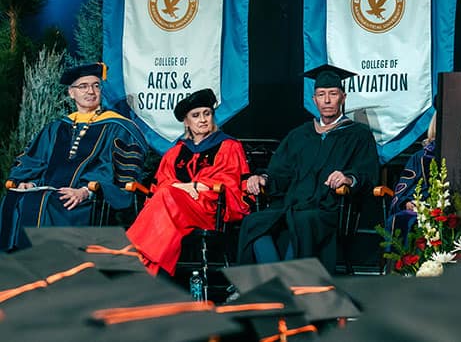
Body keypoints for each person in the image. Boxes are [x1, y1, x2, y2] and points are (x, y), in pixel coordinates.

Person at [238, 64, 379, 270]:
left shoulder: (358, 134)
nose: (327, 100)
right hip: (291, 204)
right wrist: (263, 179)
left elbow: (367, 173)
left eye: (333, 94)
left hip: (328, 208)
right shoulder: (299, 135)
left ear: (343, 97)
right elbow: (280, 173)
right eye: (321, 95)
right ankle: (278, 280)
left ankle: (287, 284)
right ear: (314, 100)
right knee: (254, 222)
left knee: (303, 222)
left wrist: (348, 178)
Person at [0, 63, 147, 251]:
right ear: (71, 93)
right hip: (50, 190)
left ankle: (56, 269)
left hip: (86, 197)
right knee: (15, 199)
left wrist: (86, 190)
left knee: (52, 203)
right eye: (83, 86)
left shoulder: (117, 127)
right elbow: (34, 159)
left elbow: (122, 170)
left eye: (96, 85)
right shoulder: (56, 128)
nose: (91, 91)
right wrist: (27, 181)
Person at [125, 88, 251, 276]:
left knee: (165, 196)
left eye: (207, 113)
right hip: (175, 209)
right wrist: (188, 187)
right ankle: (146, 269)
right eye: (195, 115)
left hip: (207, 209)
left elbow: (229, 181)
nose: (202, 120)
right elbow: (161, 183)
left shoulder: (229, 146)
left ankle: (132, 256)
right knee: (165, 199)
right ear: (186, 121)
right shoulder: (175, 152)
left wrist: (193, 187)